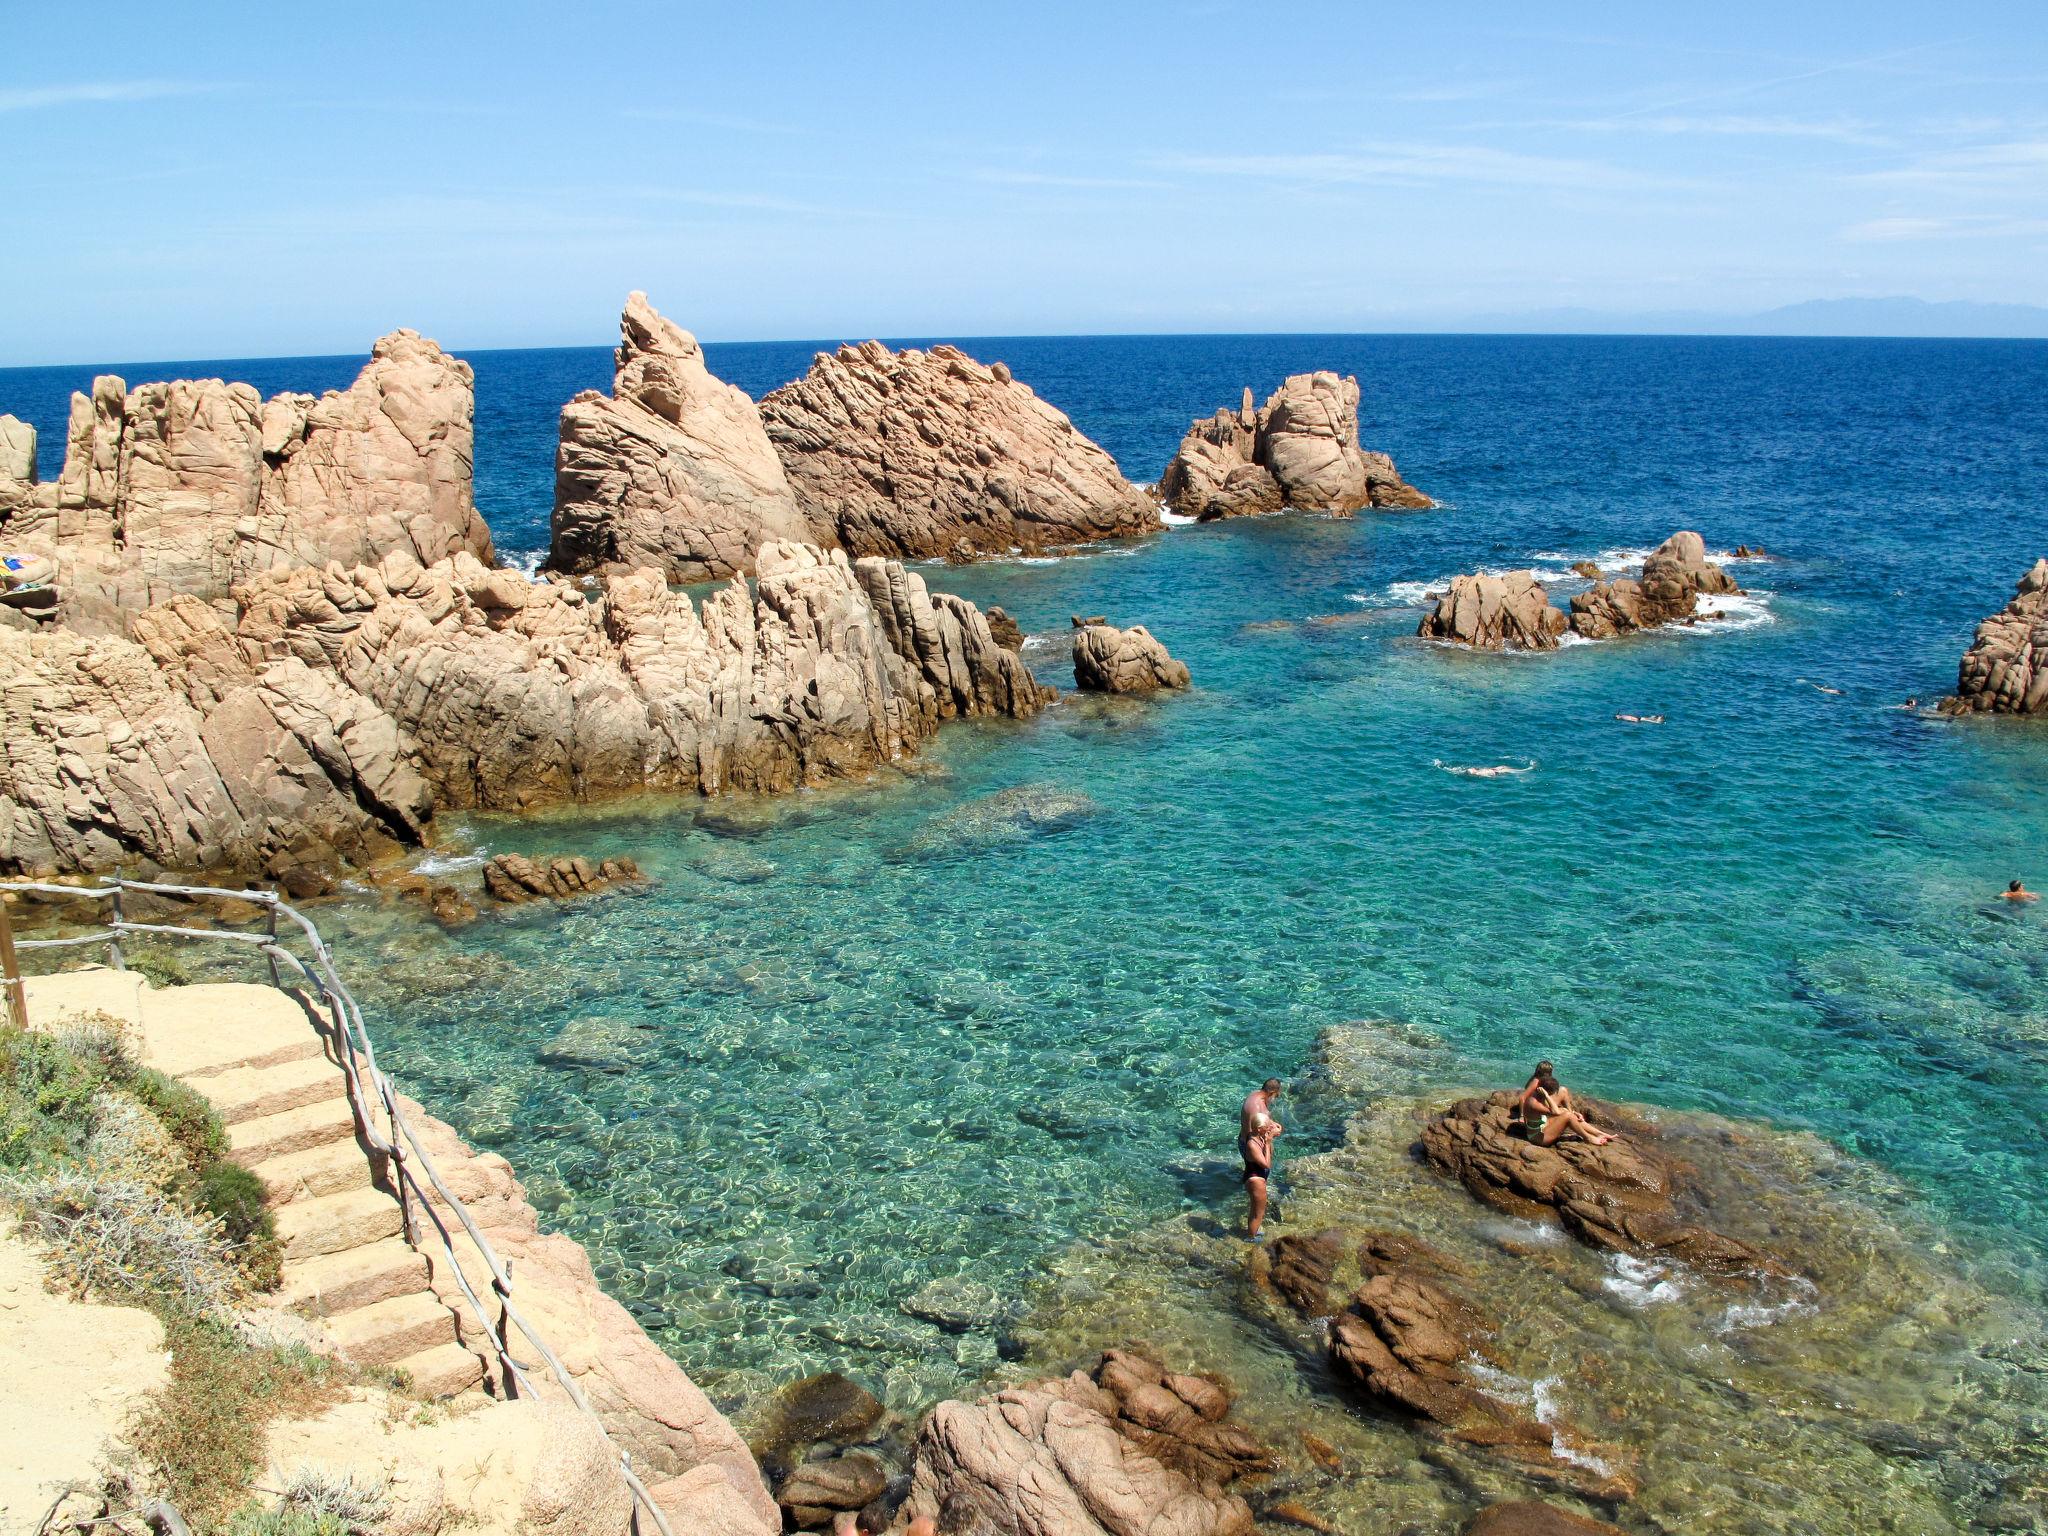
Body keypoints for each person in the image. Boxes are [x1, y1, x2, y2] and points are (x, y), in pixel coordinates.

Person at [1517, 1069, 1613, 1146]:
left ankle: (1599, 1133)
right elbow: (1556, 1112)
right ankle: (1588, 1138)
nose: (1553, 1095)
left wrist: (1574, 1113)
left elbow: (1557, 1110)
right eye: (1551, 1093)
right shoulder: (1533, 1103)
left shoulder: (1539, 1095)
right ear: (1545, 1092)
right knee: (1567, 1115)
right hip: (1538, 1137)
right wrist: (1546, 1096)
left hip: (1544, 1124)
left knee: (1565, 1103)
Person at [1239, 1078, 1284, 1239]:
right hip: (1254, 1156)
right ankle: (1251, 1237)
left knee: (1257, 1200)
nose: (1275, 1100)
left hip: (1250, 1148)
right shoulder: (1258, 1108)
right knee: (1258, 1207)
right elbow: (1265, 1164)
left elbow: (1260, 1123)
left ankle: (1254, 1223)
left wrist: (1272, 1125)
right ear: (1272, 1092)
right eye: (1276, 1096)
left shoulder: (1256, 1096)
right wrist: (1270, 1139)